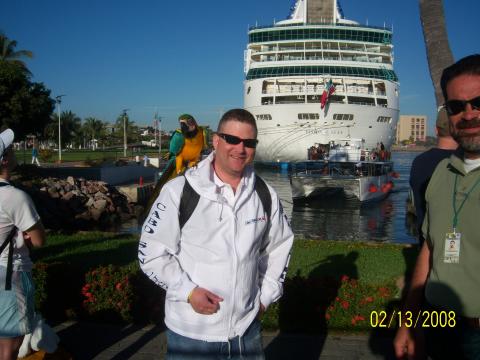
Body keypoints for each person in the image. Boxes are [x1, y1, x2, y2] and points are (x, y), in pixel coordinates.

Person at [139, 109, 293, 359]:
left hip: (247, 334)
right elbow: (151, 254)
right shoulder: (178, 191)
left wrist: (265, 297)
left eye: (249, 142)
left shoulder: (265, 194)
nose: (240, 149)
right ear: (216, 140)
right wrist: (187, 291)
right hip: (191, 338)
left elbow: (280, 246)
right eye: (232, 139)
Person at [394, 54, 480, 359]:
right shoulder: (441, 174)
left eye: (478, 102)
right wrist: (408, 321)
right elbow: (429, 247)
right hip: (439, 324)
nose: (468, 114)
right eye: (457, 107)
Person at [0, 129, 46, 360]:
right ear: (5, 159)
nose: (16, 150)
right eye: (11, 148)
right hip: (11, 274)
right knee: (10, 344)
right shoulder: (15, 197)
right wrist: (27, 235)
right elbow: (39, 240)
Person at [409, 107, 458, 246]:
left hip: (427, 242)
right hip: (460, 247)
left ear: (436, 130)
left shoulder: (419, 162)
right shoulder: (466, 162)